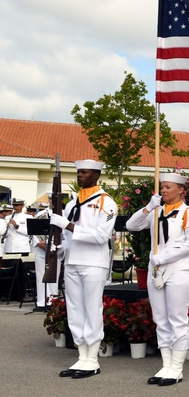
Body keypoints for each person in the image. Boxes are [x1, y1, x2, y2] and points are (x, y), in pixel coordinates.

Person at [126, 172, 189, 386]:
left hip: (178, 269)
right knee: (160, 318)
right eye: (162, 187)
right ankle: (166, 364)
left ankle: (177, 367)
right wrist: (148, 207)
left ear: (180, 190)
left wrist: (164, 256)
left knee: (177, 318)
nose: (164, 191)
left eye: (168, 187)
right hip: (156, 270)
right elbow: (132, 225)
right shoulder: (156, 210)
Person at [48, 160, 118, 379]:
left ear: (96, 175)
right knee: (75, 309)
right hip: (72, 261)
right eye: (78, 172)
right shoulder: (71, 204)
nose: (80, 175)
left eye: (84, 172)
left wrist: (66, 225)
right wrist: (59, 247)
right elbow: (69, 237)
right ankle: (81, 356)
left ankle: (93, 359)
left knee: (91, 309)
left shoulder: (106, 202)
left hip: (93, 262)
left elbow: (99, 237)